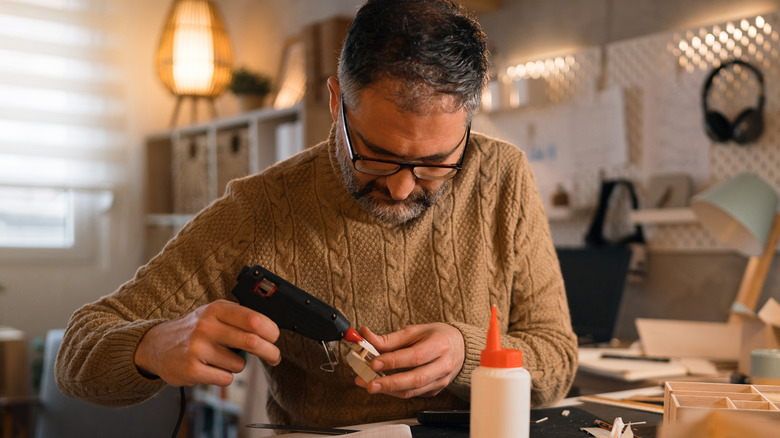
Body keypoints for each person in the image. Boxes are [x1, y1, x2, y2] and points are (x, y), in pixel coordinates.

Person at [56, 0, 578, 428]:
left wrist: (468, 356)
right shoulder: (260, 210)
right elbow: (76, 353)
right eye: (375, 154)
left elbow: (556, 357)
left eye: (436, 164)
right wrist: (151, 346)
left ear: (469, 120)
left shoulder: (502, 176)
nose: (400, 188)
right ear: (336, 102)